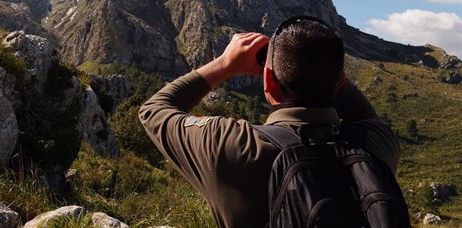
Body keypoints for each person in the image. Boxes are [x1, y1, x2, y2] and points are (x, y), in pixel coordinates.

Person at [139, 16, 400, 228]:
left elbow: (154, 110)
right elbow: (364, 114)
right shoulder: (377, 144)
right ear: (341, 82)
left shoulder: (234, 147)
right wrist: (323, 69)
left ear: (269, 82)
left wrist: (225, 64)